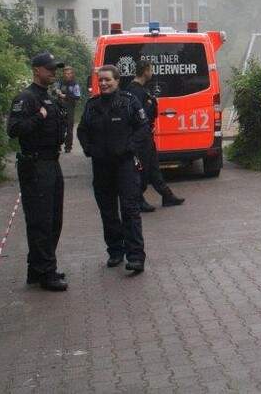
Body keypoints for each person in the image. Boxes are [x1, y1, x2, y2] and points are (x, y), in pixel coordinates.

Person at [77, 65, 151, 274]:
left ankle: (135, 256)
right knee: (108, 212)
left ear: (117, 81)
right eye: (100, 80)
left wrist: (130, 146)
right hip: (101, 168)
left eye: (108, 80)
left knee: (130, 210)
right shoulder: (92, 106)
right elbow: (82, 130)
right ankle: (115, 251)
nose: (103, 83)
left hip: (125, 166)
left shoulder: (128, 102)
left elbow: (143, 127)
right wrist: (89, 149)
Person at [6, 52, 69, 292]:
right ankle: (46, 272)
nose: (54, 72)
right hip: (35, 165)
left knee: (54, 219)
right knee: (41, 220)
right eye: (49, 68)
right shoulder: (27, 97)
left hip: (51, 162)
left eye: (55, 69)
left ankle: (38, 267)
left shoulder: (48, 96)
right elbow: (14, 129)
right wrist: (38, 117)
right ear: (36, 71)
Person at [125, 59, 185, 211]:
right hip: (141, 136)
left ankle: (167, 195)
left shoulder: (140, 89)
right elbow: (138, 114)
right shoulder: (135, 90)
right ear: (145, 71)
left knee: (153, 168)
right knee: (143, 169)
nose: (152, 73)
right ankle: (138, 199)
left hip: (146, 134)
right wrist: (150, 104)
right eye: (151, 70)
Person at [53, 65, 82, 153]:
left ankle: (68, 147)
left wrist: (65, 96)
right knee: (58, 127)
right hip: (59, 107)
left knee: (69, 129)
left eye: (68, 73)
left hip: (70, 108)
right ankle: (57, 146)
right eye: (65, 73)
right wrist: (56, 91)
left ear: (71, 74)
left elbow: (77, 96)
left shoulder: (75, 84)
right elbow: (53, 91)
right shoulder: (60, 82)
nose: (67, 75)